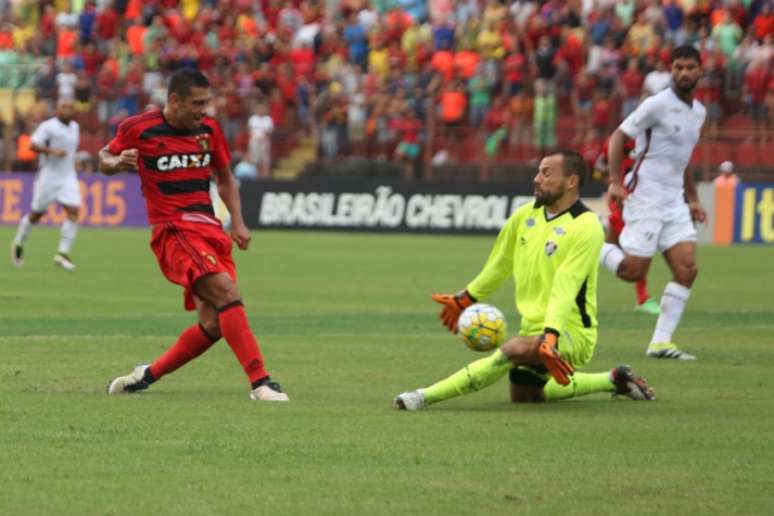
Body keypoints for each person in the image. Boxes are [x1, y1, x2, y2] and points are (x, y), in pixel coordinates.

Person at [394, 151, 654, 411]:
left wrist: (551, 337)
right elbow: (500, 264)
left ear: (571, 181)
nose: (537, 178)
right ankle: (612, 380)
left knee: (514, 349)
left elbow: (566, 285)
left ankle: (424, 396)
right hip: (534, 328)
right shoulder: (524, 216)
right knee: (527, 396)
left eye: (546, 173)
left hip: (571, 332)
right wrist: (466, 298)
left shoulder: (586, 226)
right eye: (538, 171)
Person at [99, 69, 288, 402]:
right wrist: (116, 163)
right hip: (173, 229)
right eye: (197, 103)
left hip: (210, 229)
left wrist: (238, 222)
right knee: (226, 291)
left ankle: (146, 375)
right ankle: (261, 382)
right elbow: (103, 158)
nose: (204, 109)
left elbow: (226, 178)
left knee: (214, 323)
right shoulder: (138, 128)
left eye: (207, 102)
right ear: (175, 100)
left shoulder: (209, 129)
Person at [601, 45, 707, 361]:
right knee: (633, 271)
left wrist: (692, 199)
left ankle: (660, 343)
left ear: (700, 70)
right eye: (678, 67)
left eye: (689, 67)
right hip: (644, 194)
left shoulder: (698, 112)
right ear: (670, 70)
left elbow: (683, 158)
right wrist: (617, 182)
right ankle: (597, 241)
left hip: (674, 201)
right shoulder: (657, 104)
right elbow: (618, 137)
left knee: (687, 268)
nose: (684, 73)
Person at [11, 98, 81, 271]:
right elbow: (32, 145)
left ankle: (62, 253)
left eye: (70, 107)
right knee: (37, 214)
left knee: (74, 210)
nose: (67, 110)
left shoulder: (75, 127)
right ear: (58, 109)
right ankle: (19, 242)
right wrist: (52, 151)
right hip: (49, 176)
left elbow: (71, 152)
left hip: (67, 176)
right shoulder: (48, 127)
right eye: (64, 107)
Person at [595, 137, 660, 315]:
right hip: (624, 202)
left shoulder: (654, 138)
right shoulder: (619, 139)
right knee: (638, 250)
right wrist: (613, 181)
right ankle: (643, 299)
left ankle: (592, 252)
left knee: (611, 248)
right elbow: (599, 165)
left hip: (642, 202)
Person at [247, 103, 274, 179]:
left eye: (262, 109)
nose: (261, 111)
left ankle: (265, 176)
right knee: (255, 160)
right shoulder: (252, 119)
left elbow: (269, 132)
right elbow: (249, 131)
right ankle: (256, 176)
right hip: (254, 141)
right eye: (259, 109)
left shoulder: (268, 119)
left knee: (265, 160)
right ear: (256, 110)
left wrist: (264, 140)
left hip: (264, 142)